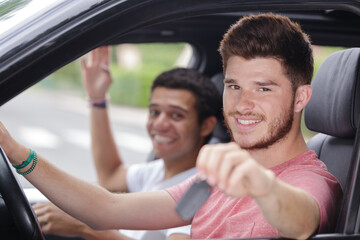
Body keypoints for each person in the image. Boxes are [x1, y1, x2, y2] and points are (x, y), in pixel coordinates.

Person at [0, 13, 342, 240]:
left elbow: (301, 221)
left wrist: (262, 185)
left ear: (301, 98)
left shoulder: (310, 181)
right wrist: (15, 151)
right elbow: (108, 209)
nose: (241, 104)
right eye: (234, 86)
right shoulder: (216, 177)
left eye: (263, 88)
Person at [32, 47, 222, 240]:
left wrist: (88, 228)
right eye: (155, 112)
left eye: (176, 115)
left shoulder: (202, 188)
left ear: (206, 125)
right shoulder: (157, 170)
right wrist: (97, 99)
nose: (160, 124)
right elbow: (110, 175)